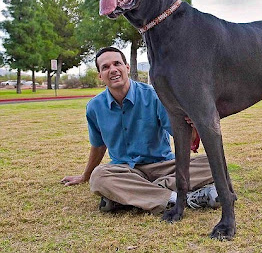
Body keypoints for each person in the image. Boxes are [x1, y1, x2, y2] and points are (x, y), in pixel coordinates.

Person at [61, 47, 219, 214]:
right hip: (125, 171)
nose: (113, 70)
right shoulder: (94, 107)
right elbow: (98, 146)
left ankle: (131, 196)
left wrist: (194, 124)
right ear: (100, 76)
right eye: (105, 67)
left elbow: (184, 138)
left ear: (127, 67)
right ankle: (179, 198)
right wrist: (85, 176)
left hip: (163, 166)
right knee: (99, 176)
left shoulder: (155, 96)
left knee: (213, 162)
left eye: (117, 64)